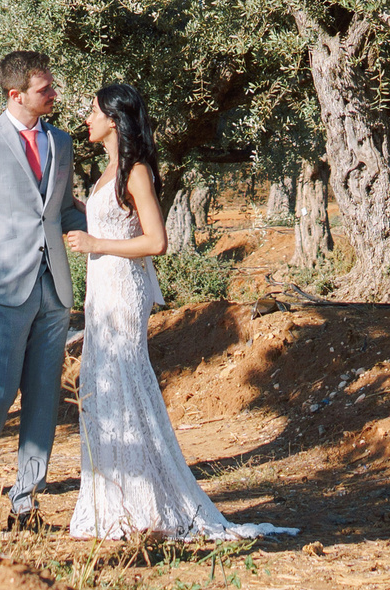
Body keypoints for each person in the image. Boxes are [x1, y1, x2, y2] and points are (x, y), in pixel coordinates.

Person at [62, 82, 296, 542]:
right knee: (102, 387)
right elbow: (115, 217)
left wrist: (95, 243)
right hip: (101, 292)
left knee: (124, 384)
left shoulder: (137, 171)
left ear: (114, 118)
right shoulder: (111, 169)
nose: (86, 119)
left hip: (122, 293)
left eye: (93, 111)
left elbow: (156, 241)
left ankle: (145, 502)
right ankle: (114, 502)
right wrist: (77, 208)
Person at [0, 50, 84, 526]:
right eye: (45, 89)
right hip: (2, 289)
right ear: (16, 94)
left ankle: (26, 500)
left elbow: (63, 210)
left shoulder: (62, 142)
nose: (54, 95)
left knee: (45, 395)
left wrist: (112, 221)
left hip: (54, 290)